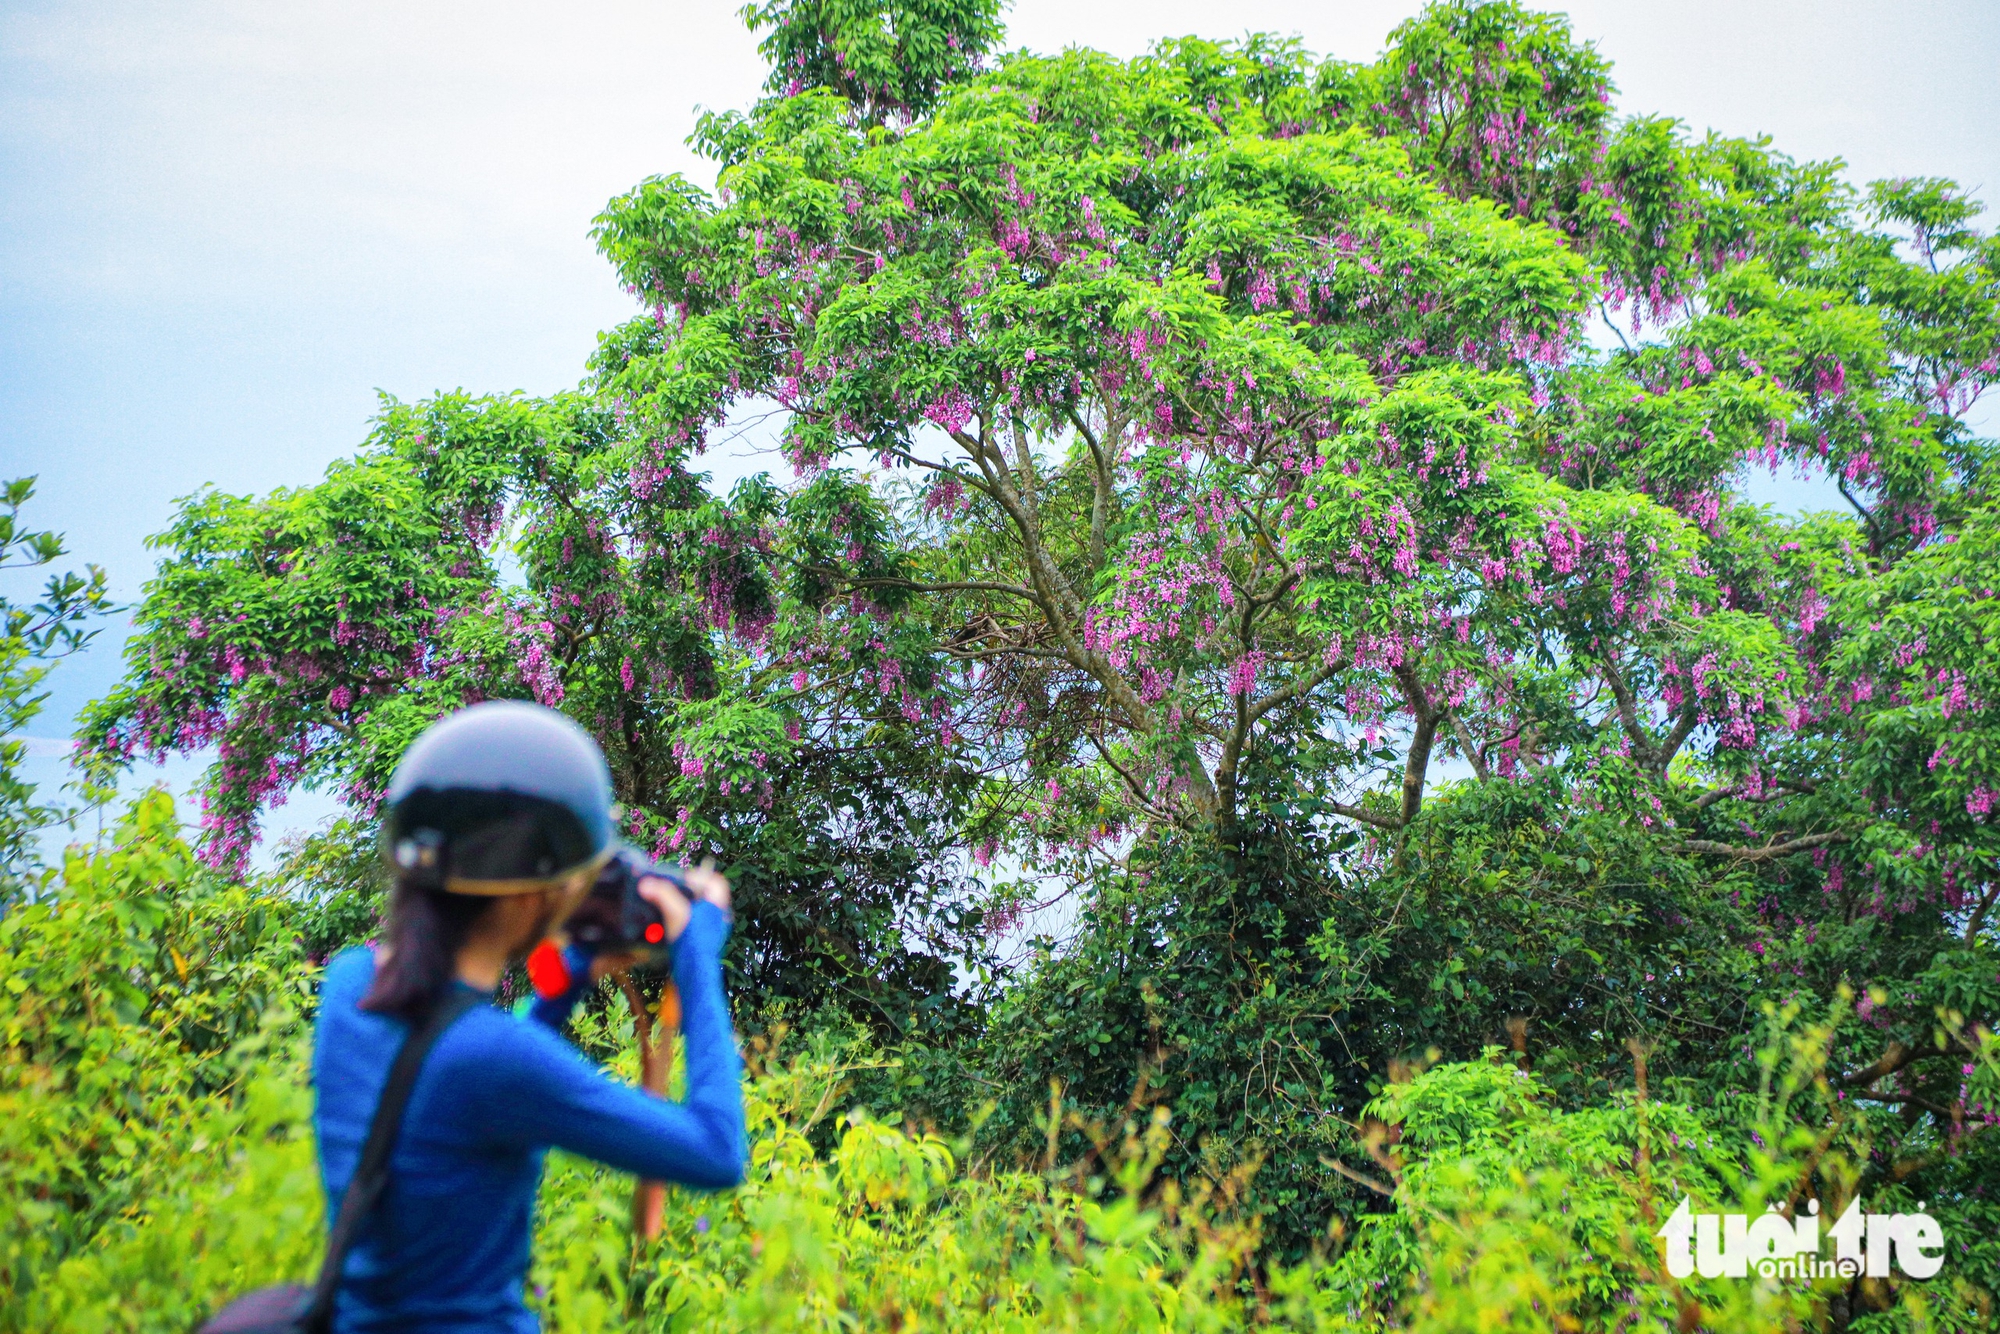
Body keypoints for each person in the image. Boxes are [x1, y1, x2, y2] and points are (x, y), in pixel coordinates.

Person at [312, 700, 744, 1332]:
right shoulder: (494, 1062)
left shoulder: (348, 982)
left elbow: (450, 1083)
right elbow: (716, 1152)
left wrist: (565, 980)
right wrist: (697, 958)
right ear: (534, 895)